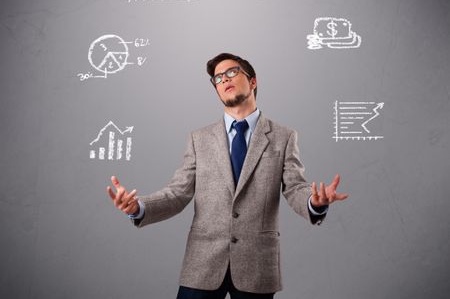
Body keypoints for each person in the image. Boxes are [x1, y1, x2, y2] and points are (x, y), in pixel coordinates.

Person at [107, 52, 349, 298]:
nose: (224, 79)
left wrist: (314, 202)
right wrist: (138, 207)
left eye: (232, 72)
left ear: (253, 81)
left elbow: (295, 188)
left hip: (257, 265)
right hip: (202, 263)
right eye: (218, 78)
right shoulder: (198, 139)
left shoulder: (284, 137)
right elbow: (177, 193)